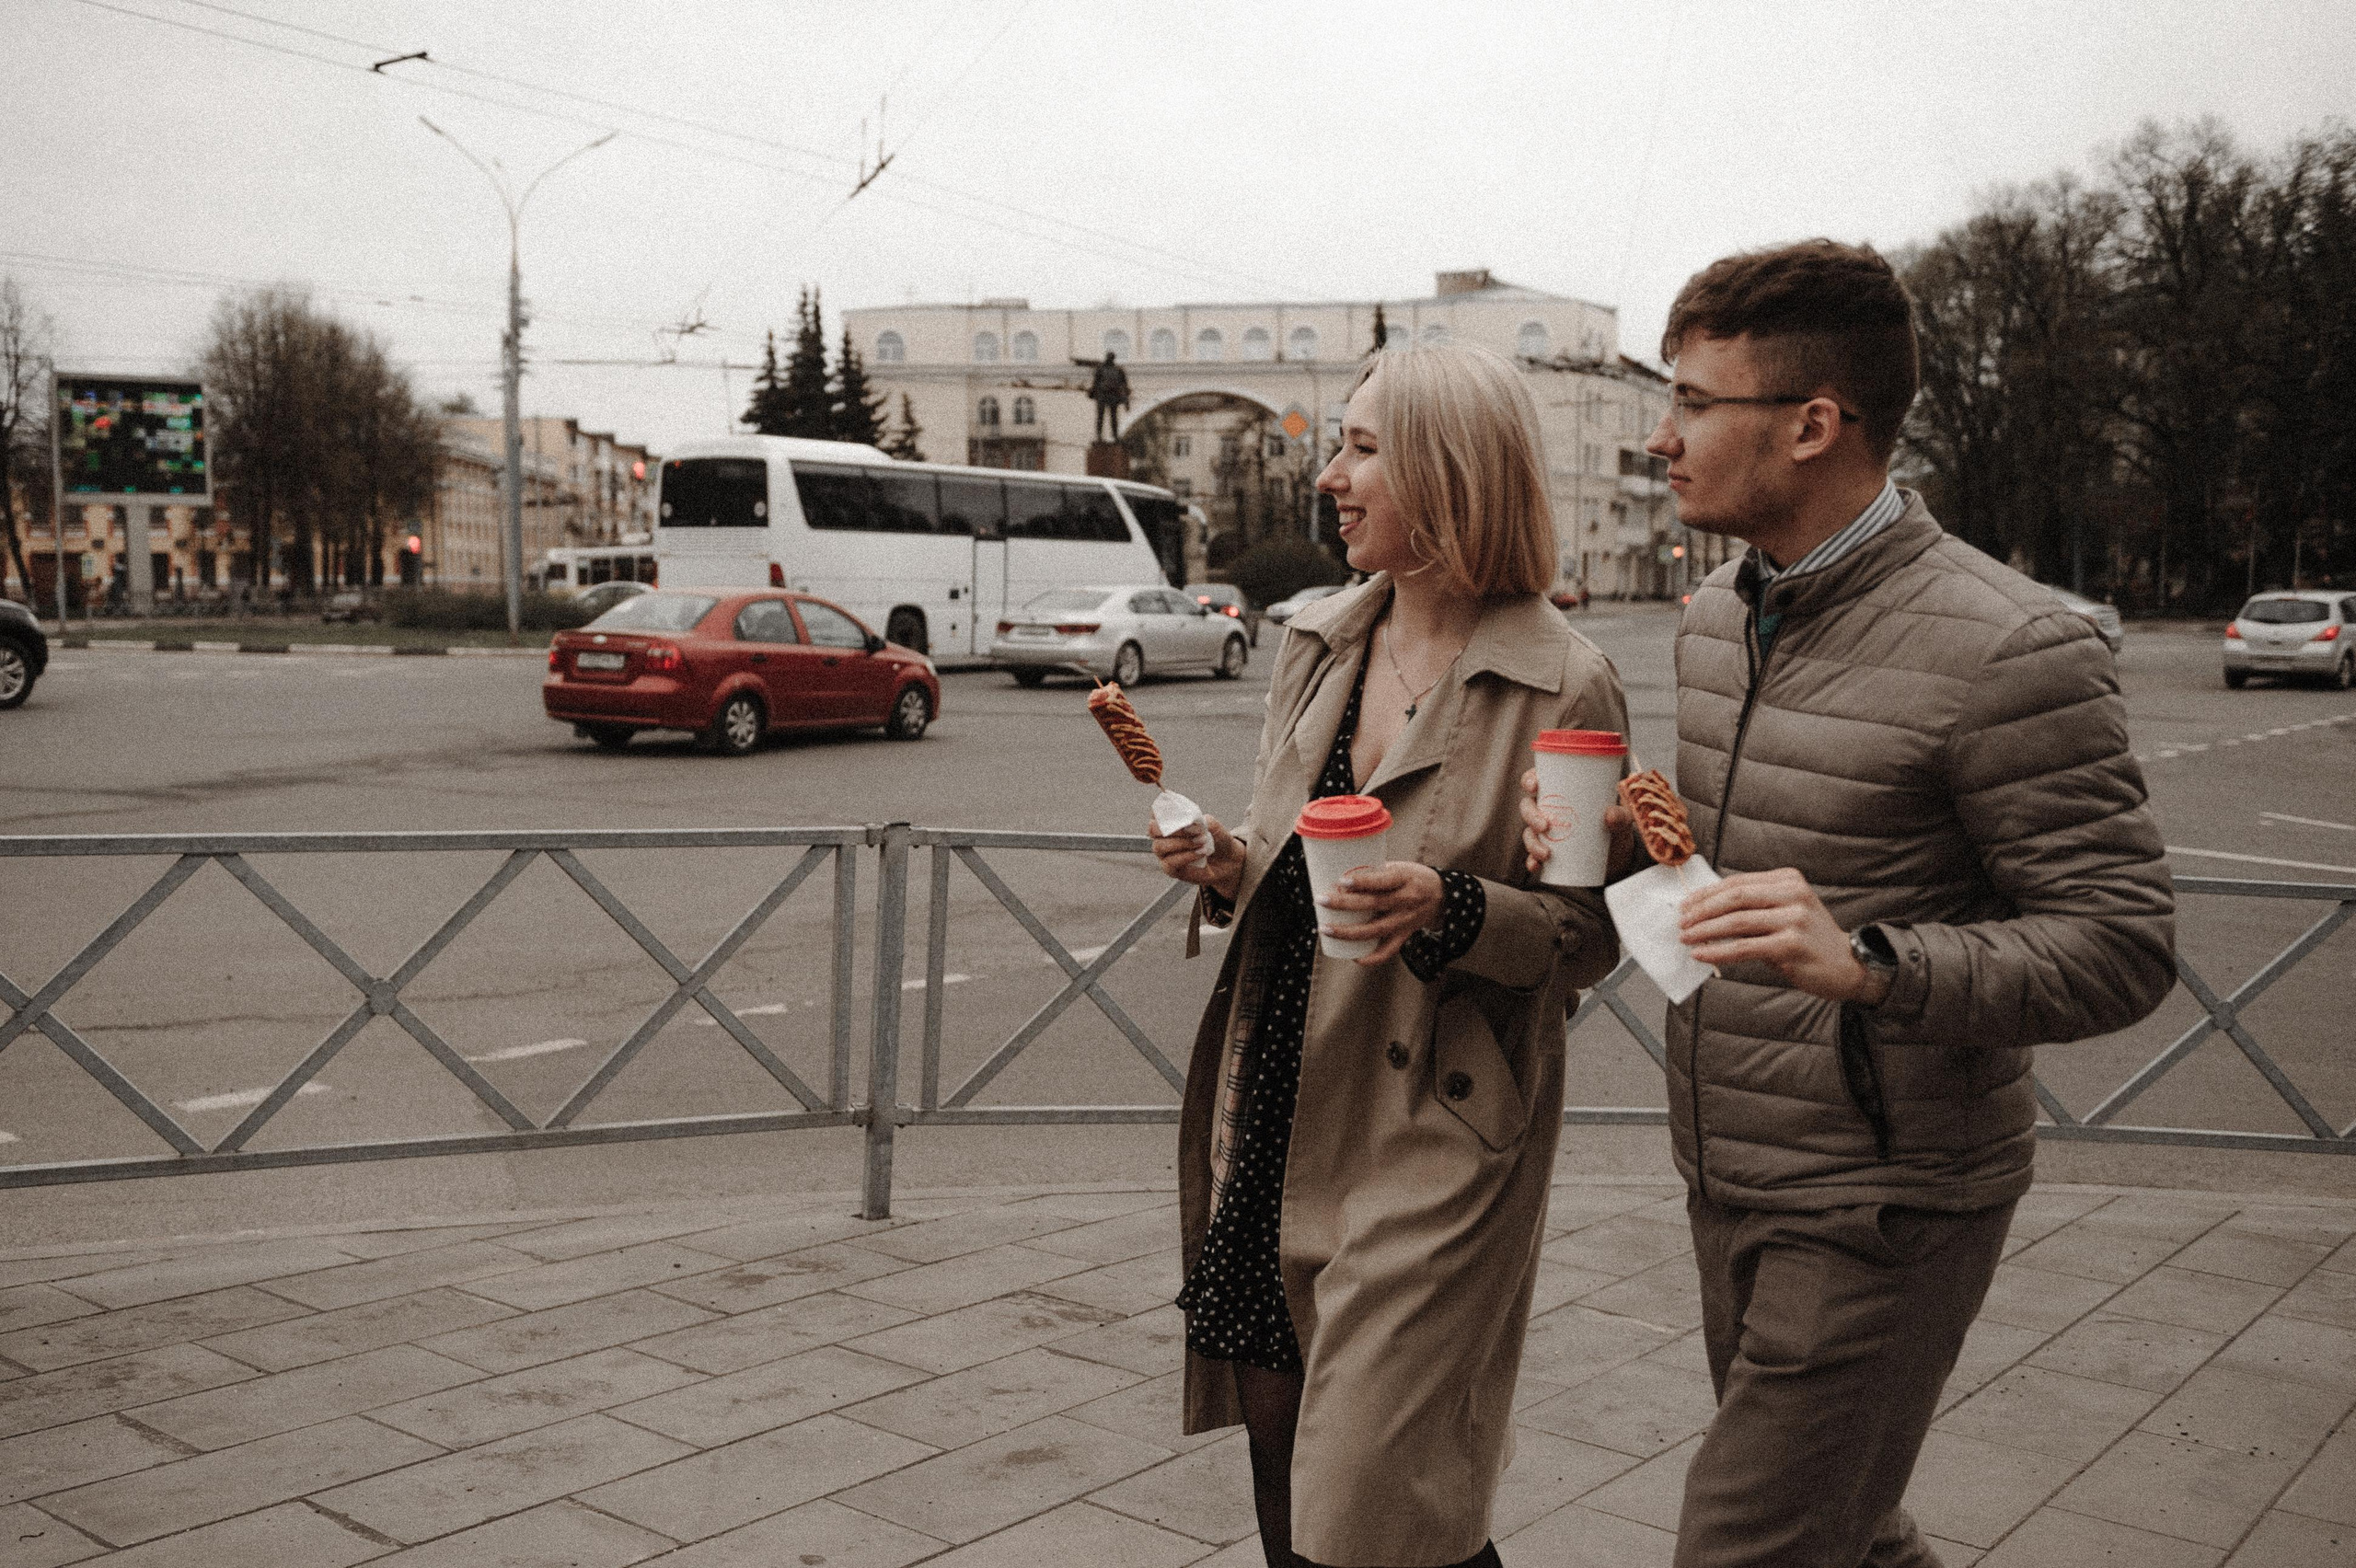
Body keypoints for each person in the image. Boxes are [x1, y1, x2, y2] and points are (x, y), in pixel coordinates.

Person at [1522, 240, 2176, 1567]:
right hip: (1728, 1165)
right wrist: (1622, 850)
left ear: (1815, 425)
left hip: (1891, 1198)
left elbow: (2124, 945)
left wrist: (1874, 964)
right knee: (1849, 1531)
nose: (1662, 436)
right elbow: (1721, 891)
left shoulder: (2009, 644)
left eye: (1696, 403)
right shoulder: (1714, 616)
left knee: (1746, 1545)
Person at [1149, 342, 1630, 1568]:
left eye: (1363, 449)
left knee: (1375, 1504)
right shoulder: (1319, 642)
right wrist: (1227, 860)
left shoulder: (1562, 680)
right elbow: (1291, 852)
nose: (1332, 478)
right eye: (1340, 447)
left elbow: (1584, 938)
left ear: (1452, 472)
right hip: (1271, 1105)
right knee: (1283, 1464)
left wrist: (1456, 908)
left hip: (1429, 1125)